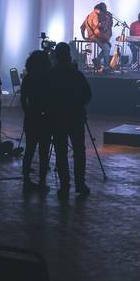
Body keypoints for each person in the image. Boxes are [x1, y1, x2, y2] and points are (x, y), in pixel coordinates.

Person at [48, 42, 92, 198]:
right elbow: (87, 95)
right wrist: (78, 103)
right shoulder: (76, 74)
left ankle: (64, 185)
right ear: (69, 56)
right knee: (79, 151)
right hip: (75, 117)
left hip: (58, 118)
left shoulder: (51, 75)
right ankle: (80, 184)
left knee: (61, 152)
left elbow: (47, 98)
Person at [20, 51, 52, 192]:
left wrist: (27, 111)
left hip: (31, 116)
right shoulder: (47, 78)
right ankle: (42, 181)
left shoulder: (28, 78)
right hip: (45, 117)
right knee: (43, 152)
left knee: (29, 150)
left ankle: (26, 179)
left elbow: (23, 99)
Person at [80, 2, 113, 73]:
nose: (104, 12)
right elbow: (97, 30)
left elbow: (82, 27)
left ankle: (97, 60)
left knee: (107, 47)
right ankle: (106, 67)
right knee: (107, 48)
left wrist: (84, 37)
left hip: (93, 36)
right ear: (99, 10)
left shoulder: (89, 16)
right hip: (95, 36)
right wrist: (104, 39)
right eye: (104, 10)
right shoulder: (95, 16)